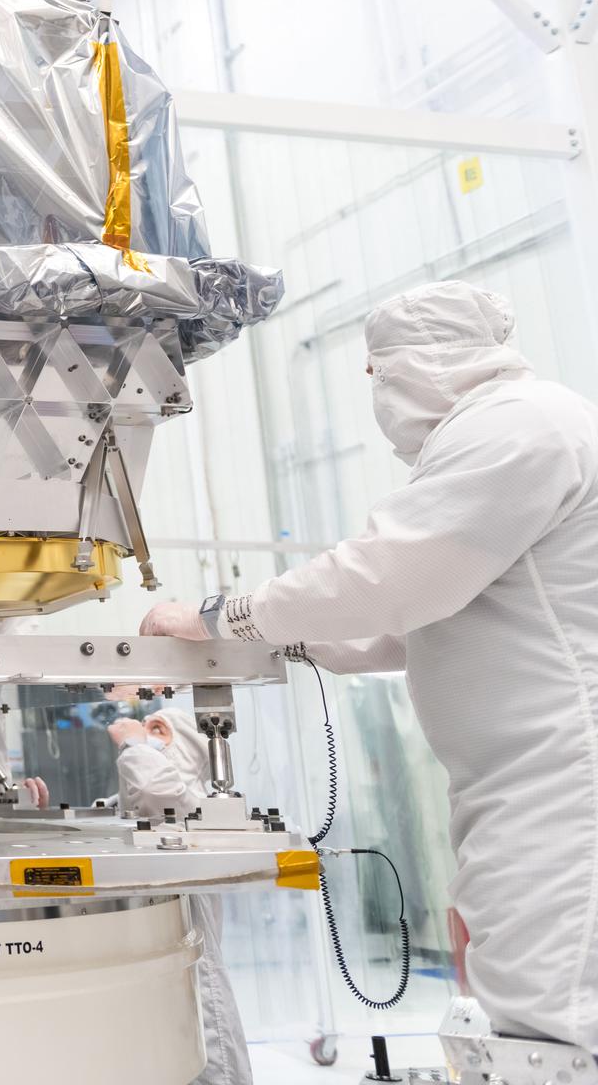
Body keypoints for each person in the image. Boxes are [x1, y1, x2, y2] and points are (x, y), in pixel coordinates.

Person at [141, 280, 598, 1052]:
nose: (376, 392)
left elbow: (387, 578)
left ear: (422, 360)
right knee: (531, 1001)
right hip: (523, 782)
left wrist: (223, 616)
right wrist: (265, 638)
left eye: (377, 372)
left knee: (557, 1016)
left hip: (564, 783)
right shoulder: (498, 432)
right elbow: (408, 623)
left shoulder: (521, 427)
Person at [107, 708, 250, 1085]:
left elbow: (158, 792)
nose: (141, 734)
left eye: (158, 731)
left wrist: (135, 745)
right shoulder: (147, 802)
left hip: (187, 964)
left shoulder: (191, 803)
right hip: (145, 968)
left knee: (203, 1033)